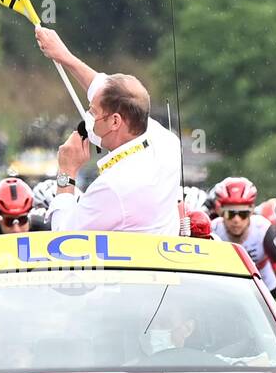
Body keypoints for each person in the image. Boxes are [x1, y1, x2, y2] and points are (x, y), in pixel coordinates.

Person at [35, 26, 181, 234]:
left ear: (115, 121)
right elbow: (105, 89)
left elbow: (63, 239)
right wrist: (64, 57)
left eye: (93, 112)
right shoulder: (166, 142)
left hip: (128, 266)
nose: (88, 118)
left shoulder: (113, 187)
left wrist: (66, 172)